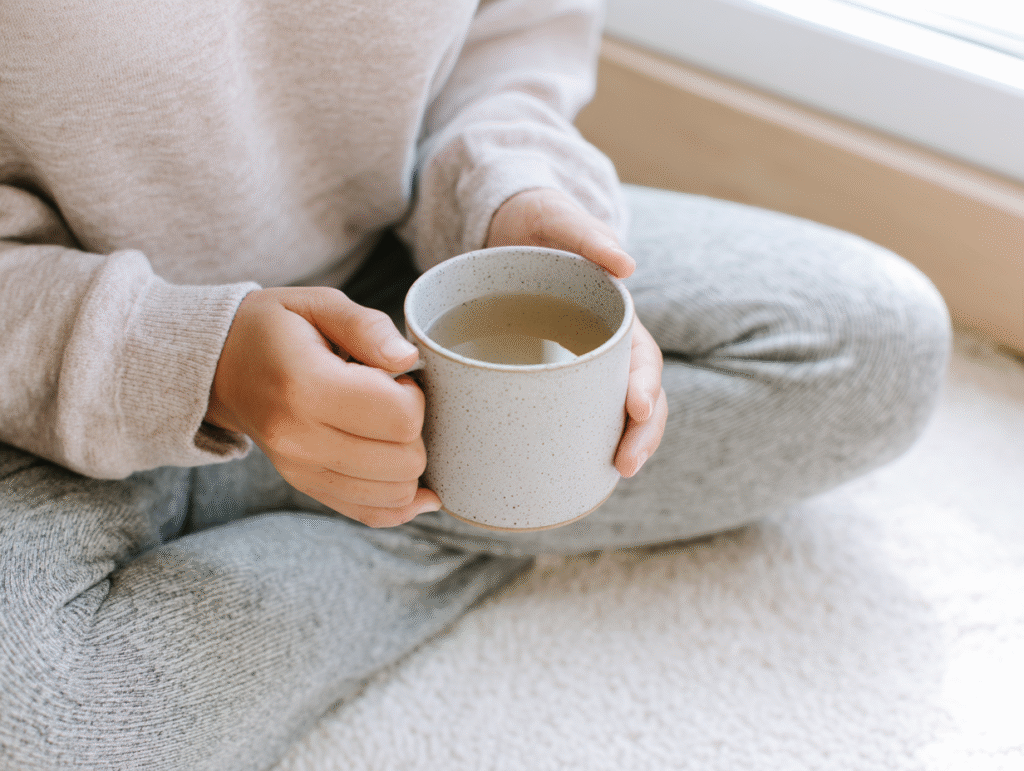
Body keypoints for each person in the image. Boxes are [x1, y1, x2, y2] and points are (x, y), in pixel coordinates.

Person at [0, 1, 950, 768]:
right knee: (39, 727)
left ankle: (389, 479)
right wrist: (189, 367)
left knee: (871, 343)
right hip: (59, 345)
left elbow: (508, 39)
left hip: (406, 268)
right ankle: (471, 497)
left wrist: (512, 191)